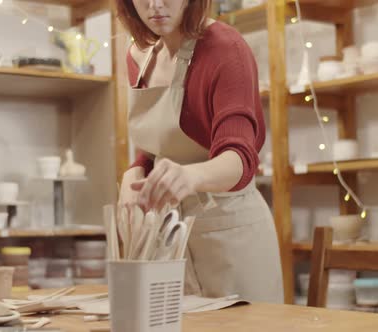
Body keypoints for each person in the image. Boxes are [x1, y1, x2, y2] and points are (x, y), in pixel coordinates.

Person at [115, 0, 284, 303]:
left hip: (230, 237)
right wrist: (135, 172)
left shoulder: (226, 49)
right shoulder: (139, 59)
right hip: (169, 238)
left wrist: (190, 177)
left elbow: (241, 157)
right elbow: (155, 144)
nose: (155, 5)